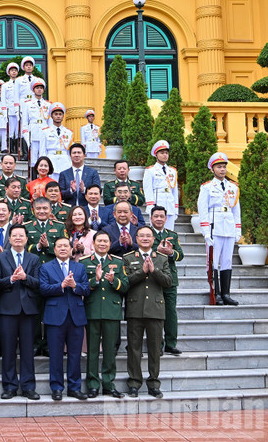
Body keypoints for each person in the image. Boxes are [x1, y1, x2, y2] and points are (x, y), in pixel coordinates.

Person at [124, 226, 172, 398]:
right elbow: (125, 282)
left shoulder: (161, 258)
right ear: (136, 239)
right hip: (135, 309)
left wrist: (154, 271)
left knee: (154, 348)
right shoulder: (128, 258)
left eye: (148, 236)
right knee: (134, 348)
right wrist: (141, 272)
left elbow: (168, 281)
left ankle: (153, 383)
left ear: (153, 239)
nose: (145, 238)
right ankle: (134, 383)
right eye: (141, 236)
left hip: (155, 309)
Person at [39, 237, 90, 401]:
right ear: (54, 250)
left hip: (76, 316)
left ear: (71, 250)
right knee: (55, 354)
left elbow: (87, 289)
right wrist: (61, 286)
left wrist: (75, 286)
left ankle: (75, 387)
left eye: (65, 246)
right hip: (55, 317)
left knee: (75, 354)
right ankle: (57, 388)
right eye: (59, 246)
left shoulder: (79, 267)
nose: (62, 249)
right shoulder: (46, 267)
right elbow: (43, 289)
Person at [80, 231, 128, 399]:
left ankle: (108, 384)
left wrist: (113, 281)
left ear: (109, 244)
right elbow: (81, 287)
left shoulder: (118, 262)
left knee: (109, 350)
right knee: (92, 350)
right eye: (99, 241)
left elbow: (126, 286)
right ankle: (92, 385)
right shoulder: (85, 262)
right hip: (92, 310)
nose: (102, 244)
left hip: (111, 311)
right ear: (93, 244)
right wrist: (96, 280)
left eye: (105, 241)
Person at [0, 225, 41, 400]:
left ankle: (29, 387)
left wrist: (25, 278)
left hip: (28, 309)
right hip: (7, 308)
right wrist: (11, 279)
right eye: (14, 235)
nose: (18, 238)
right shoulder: (0, 258)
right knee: (8, 349)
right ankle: (9, 386)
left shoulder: (34, 258)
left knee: (28, 350)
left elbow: (38, 283)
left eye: (21, 235)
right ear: (9, 238)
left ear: (27, 238)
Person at [199, 152, 240, 306]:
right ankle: (216, 293)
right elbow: (202, 209)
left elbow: (236, 209)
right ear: (212, 169)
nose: (222, 170)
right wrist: (205, 231)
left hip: (228, 226)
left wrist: (237, 229)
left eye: (224, 167)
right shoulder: (207, 187)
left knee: (227, 260)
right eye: (219, 167)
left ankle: (226, 293)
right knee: (214, 261)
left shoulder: (233, 187)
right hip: (214, 226)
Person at [149, 205, 184, 355]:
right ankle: (157, 344)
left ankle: (171, 343)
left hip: (170, 279)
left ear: (166, 218)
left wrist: (171, 253)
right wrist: (156, 252)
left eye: (161, 216)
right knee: (155, 314)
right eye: (156, 216)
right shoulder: (146, 234)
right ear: (151, 218)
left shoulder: (172, 235)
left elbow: (180, 255)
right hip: (153, 278)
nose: (158, 219)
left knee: (170, 312)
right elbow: (142, 251)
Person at [143, 140, 179, 229]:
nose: (165, 155)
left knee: (169, 233)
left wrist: (176, 208)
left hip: (170, 206)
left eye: (166, 153)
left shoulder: (172, 171)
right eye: (162, 153)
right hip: (157, 204)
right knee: (156, 233)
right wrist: (151, 206)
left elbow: (174, 190)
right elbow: (148, 189)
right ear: (156, 155)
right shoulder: (150, 170)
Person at [25, 196, 67, 264]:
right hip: (33, 265)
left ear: (50, 210)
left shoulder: (60, 226)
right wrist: (37, 246)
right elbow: (23, 248)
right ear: (33, 210)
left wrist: (48, 245)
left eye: (45, 208)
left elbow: (65, 247)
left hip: (53, 265)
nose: (41, 211)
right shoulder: (27, 227)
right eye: (38, 208)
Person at [58, 143, 101, 207]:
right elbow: (60, 194)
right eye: (74, 153)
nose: (76, 155)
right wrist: (71, 190)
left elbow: (98, 191)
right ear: (70, 155)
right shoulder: (64, 174)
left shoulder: (92, 172)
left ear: (84, 155)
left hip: (87, 208)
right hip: (69, 209)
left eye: (79, 152)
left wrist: (84, 190)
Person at [20, 78, 50, 169]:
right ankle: (33, 178)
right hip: (33, 132)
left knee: (43, 157)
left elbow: (50, 122)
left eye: (41, 88)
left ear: (43, 90)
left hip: (44, 132)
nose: (39, 89)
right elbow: (24, 122)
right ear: (33, 90)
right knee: (33, 159)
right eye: (37, 88)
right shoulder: (28, 104)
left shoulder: (48, 104)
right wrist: (26, 135)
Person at [44, 103, 73, 177]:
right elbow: (42, 151)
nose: (58, 116)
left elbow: (70, 151)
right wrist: (44, 164)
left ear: (63, 116)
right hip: (51, 161)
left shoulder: (69, 132)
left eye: (60, 114)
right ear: (51, 116)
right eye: (56, 114)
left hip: (65, 162)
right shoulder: (45, 132)